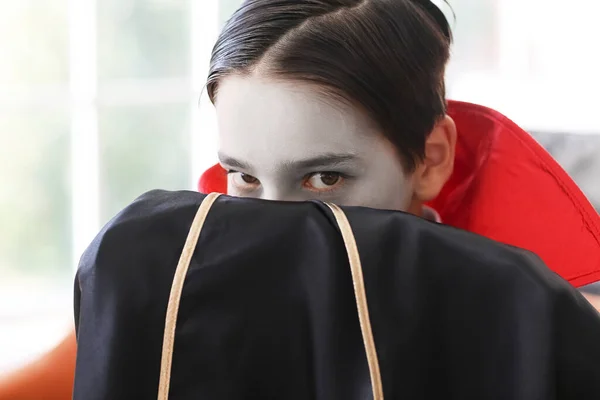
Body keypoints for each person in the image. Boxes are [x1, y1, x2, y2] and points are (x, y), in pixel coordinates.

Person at [1, 0, 599, 398]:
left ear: (431, 158)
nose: (274, 222)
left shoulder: (529, 316)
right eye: (245, 177)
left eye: (324, 179)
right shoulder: (169, 285)